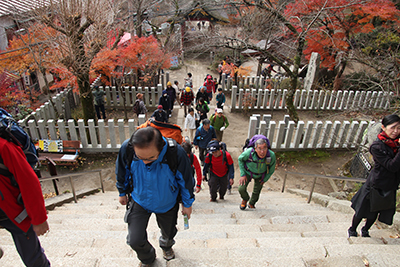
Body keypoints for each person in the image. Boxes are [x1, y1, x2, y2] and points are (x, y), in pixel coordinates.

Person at [115, 127, 195, 266]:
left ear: (161, 147)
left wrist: (187, 204)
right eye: (141, 158)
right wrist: (122, 192)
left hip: (167, 201)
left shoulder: (175, 153)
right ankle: (148, 258)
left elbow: (186, 181)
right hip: (139, 199)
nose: (146, 162)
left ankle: (166, 246)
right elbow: (122, 171)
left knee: (168, 231)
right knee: (134, 239)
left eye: (151, 157)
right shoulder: (127, 148)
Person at [0, 137, 50, 267]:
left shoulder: (4, 147)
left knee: (33, 259)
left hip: (14, 211)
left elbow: (29, 181)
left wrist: (39, 219)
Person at [348, 114, 400, 238]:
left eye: (399, 128)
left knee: (377, 211)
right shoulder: (377, 146)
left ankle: (366, 230)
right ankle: (352, 229)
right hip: (376, 184)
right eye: (392, 128)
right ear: (383, 127)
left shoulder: (396, 144)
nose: (396, 131)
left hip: (390, 185)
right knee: (363, 210)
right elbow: (391, 166)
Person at [238, 136, 276, 210]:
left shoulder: (271, 155)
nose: (262, 151)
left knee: (257, 191)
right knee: (241, 188)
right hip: (248, 172)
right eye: (260, 148)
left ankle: (251, 203)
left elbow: (271, 169)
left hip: (261, 174)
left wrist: (265, 179)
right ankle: (245, 199)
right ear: (255, 149)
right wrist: (243, 174)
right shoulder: (249, 152)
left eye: (264, 148)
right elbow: (240, 159)